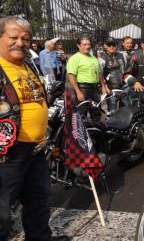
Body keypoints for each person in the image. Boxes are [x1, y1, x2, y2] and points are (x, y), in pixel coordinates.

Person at [0, 16, 60, 240]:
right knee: (2, 212)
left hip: (35, 150)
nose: (20, 43)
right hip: (7, 155)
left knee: (38, 202)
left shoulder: (27, 65)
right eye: (13, 37)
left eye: (25, 39)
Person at [66, 36, 110, 116]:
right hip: (83, 89)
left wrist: (103, 86)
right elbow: (71, 76)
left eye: (89, 44)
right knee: (82, 114)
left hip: (95, 89)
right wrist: (78, 92)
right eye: (84, 44)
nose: (87, 46)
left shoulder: (93, 58)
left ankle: (95, 127)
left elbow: (99, 73)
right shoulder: (75, 58)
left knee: (97, 113)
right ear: (78, 45)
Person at [98, 38, 127, 112]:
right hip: (110, 89)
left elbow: (125, 70)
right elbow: (99, 73)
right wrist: (105, 86)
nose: (112, 46)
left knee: (124, 110)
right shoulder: (102, 57)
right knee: (112, 111)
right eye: (109, 45)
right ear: (105, 46)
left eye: (113, 44)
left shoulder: (122, 55)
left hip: (122, 87)